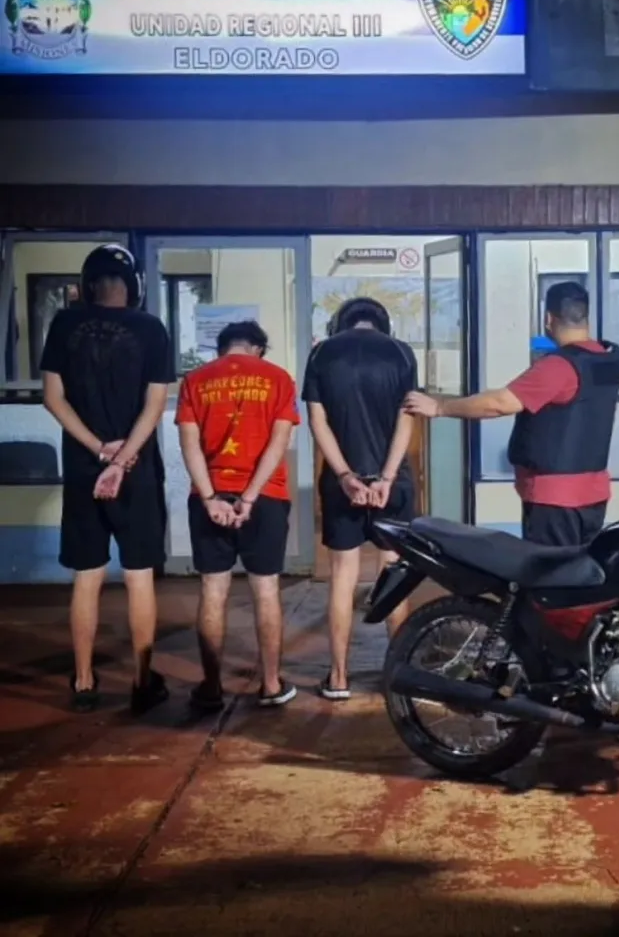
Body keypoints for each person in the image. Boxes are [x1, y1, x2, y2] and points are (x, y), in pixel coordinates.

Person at [40, 243, 174, 714]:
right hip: (136, 471)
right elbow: (154, 406)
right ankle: (142, 681)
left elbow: (52, 398)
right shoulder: (151, 328)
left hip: (84, 469)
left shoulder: (63, 324)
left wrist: (98, 450)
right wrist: (122, 459)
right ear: (134, 285)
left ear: (88, 282)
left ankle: (83, 682)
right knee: (139, 577)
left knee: (87, 576)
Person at [405, 281, 619, 546]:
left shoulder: (560, 366)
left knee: (550, 570)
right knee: (581, 567)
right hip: (594, 495)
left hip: (555, 498)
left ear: (548, 319)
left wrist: (439, 407)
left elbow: (500, 403)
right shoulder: (606, 358)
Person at [175, 320, 301, 710]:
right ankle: (271, 685)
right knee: (266, 589)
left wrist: (211, 498)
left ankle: (211, 686)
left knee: (213, 589)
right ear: (258, 348)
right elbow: (278, 444)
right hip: (265, 497)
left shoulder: (195, 381)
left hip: (209, 497)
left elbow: (189, 446)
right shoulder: (279, 379)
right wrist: (249, 497)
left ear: (222, 348)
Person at [302, 297, 418, 700]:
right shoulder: (401, 352)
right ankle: (398, 675)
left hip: (341, 485)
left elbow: (317, 422)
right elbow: (407, 417)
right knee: (394, 575)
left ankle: (338, 678)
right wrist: (385, 477)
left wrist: (346, 476)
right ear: (382, 324)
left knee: (342, 577)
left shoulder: (321, 354)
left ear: (340, 324)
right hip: (394, 483)